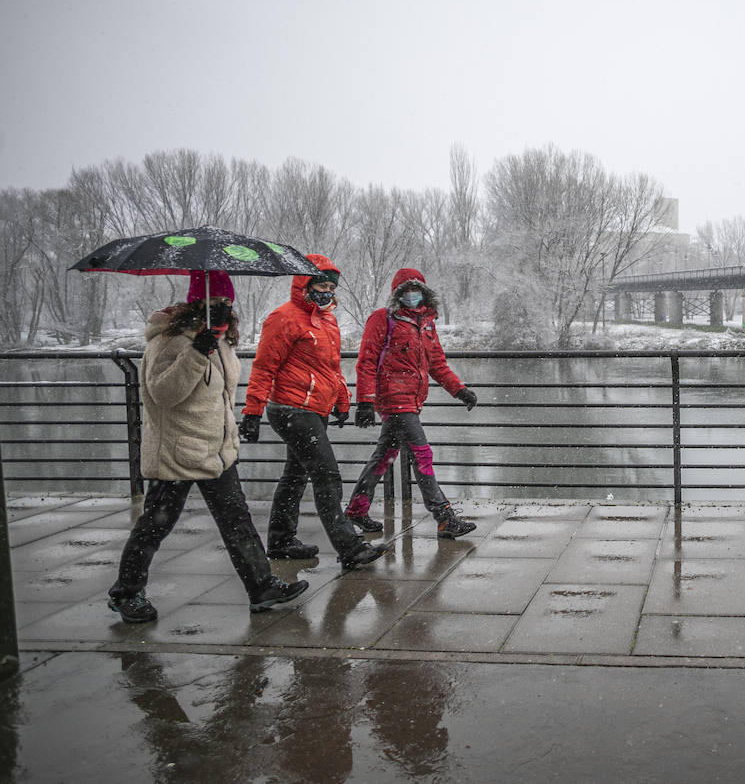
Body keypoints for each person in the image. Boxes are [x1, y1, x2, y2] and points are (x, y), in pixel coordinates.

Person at [107, 271, 308, 623]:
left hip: (216, 450)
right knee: (156, 525)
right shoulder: (169, 341)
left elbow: (222, 393)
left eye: (227, 303)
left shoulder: (221, 340)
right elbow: (164, 394)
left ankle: (261, 588)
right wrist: (196, 354)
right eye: (213, 303)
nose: (222, 310)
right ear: (194, 304)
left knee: (238, 523)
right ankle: (126, 593)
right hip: (177, 451)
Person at [238, 255, 387, 569]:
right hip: (291, 409)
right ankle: (349, 547)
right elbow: (264, 368)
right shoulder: (283, 318)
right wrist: (252, 411)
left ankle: (280, 541)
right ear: (304, 283)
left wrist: (343, 402)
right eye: (321, 283)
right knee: (327, 475)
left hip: (314, 409)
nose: (327, 290)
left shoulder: (326, 319)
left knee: (295, 475)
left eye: (331, 286)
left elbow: (330, 369)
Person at [345, 268, 478, 538]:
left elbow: (437, 365)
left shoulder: (427, 324)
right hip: (393, 399)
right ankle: (444, 517)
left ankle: (357, 510)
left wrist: (460, 390)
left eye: (415, 290)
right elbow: (366, 361)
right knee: (422, 454)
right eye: (405, 291)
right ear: (397, 294)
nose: (411, 296)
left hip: (413, 400)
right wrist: (365, 401)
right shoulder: (382, 319)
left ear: (424, 293)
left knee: (383, 457)